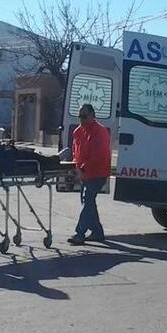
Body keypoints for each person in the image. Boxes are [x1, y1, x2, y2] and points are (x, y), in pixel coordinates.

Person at [68, 103, 111, 245]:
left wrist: (83, 168)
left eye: (84, 116)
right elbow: (76, 152)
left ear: (93, 116)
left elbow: (98, 155)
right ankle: (97, 232)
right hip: (84, 173)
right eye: (80, 116)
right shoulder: (78, 132)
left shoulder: (100, 132)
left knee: (87, 199)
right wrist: (76, 167)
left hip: (97, 173)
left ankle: (80, 233)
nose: (81, 119)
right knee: (88, 202)